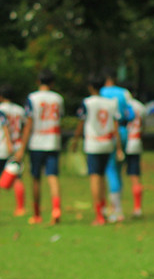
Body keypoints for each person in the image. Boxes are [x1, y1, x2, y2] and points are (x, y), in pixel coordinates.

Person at [70, 75, 125, 225]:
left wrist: (75, 140)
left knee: (95, 177)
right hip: (108, 143)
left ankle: (99, 214)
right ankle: (105, 209)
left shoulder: (87, 103)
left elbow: (81, 123)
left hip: (93, 144)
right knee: (103, 175)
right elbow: (115, 127)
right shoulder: (110, 103)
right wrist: (119, 147)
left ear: (90, 87)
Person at [17, 69, 64, 225]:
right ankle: (56, 209)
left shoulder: (32, 98)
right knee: (53, 177)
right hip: (53, 141)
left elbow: (29, 124)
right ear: (52, 83)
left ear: (38, 81)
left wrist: (22, 148)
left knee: (36, 178)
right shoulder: (58, 99)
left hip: (37, 142)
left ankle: (37, 214)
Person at [100, 71, 134, 223]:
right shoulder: (124, 93)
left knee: (110, 169)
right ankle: (118, 207)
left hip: (107, 133)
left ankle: (115, 210)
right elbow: (131, 114)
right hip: (123, 131)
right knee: (119, 170)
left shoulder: (100, 92)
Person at [0, 85, 27, 216]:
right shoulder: (20, 110)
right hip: (18, 146)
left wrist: (9, 143)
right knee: (17, 178)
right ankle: (20, 207)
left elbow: (4, 126)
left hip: (3, 146)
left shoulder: (1, 109)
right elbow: (24, 127)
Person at [124, 94, 146, 217]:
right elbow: (143, 126)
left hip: (122, 141)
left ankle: (114, 208)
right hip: (136, 141)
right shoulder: (140, 107)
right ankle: (137, 208)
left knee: (115, 174)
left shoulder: (120, 104)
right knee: (135, 176)